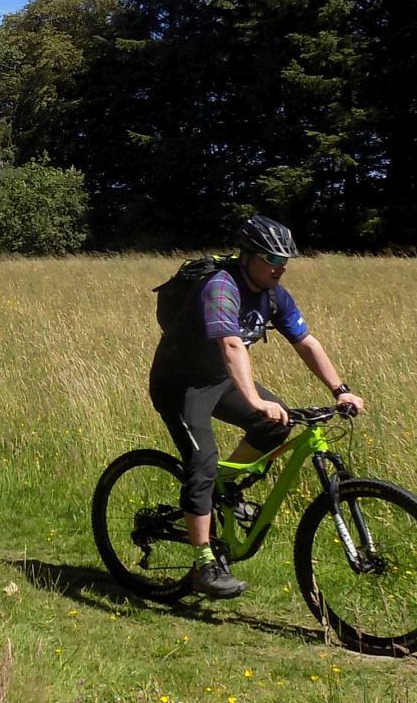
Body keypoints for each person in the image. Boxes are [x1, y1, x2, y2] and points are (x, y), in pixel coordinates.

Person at [148, 215, 366, 598]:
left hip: (219, 380)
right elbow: (231, 346)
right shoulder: (220, 287)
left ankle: (227, 488)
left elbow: (306, 342)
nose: (279, 267)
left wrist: (340, 389)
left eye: (284, 261)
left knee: (278, 423)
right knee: (203, 462)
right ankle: (203, 564)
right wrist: (253, 400)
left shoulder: (273, 293)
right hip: (179, 384)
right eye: (271, 259)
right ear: (247, 256)